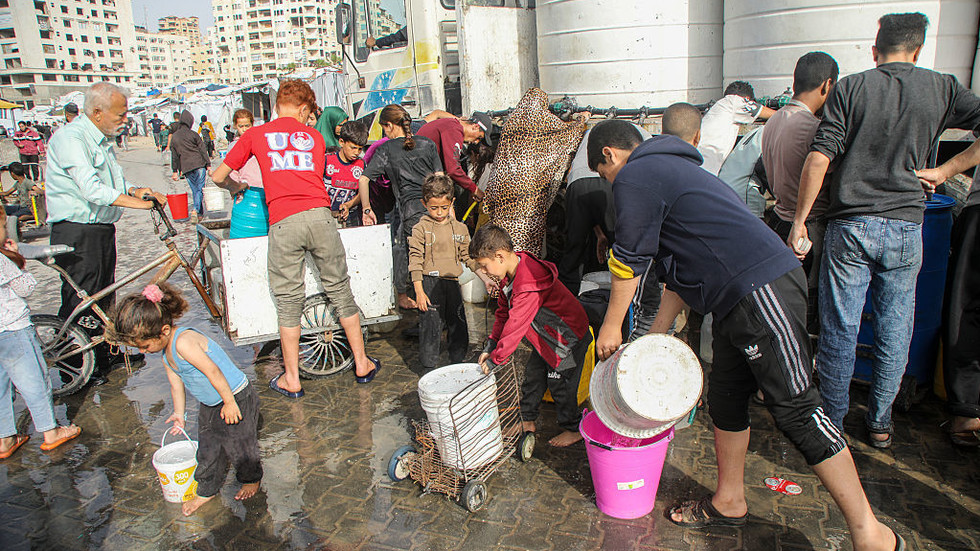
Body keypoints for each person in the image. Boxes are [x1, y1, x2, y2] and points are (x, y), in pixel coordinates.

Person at [588, 119, 902, 551]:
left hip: (760, 288)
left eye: (604, 175)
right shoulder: (669, 171)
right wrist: (652, 342)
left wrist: (611, 327)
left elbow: (627, 261)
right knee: (727, 398)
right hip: (734, 299)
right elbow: (676, 279)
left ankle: (871, 533)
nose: (609, 184)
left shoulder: (637, 173)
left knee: (796, 408)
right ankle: (730, 500)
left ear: (609, 154)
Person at [788, 13, 980, 448]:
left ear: (875, 51)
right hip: (907, 226)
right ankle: (879, 423)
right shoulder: (943, 87)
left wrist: (799, 222)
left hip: (850, 225)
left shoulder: (851, 88)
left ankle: (832, 421)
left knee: (840, 328)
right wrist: (946, 170)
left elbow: (819, 159)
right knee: (895, 329)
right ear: (918, 50)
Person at [212, 79, 381, 397]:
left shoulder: (255, 134)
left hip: (283, 221)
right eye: (309, 112)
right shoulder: (314, 137)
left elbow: (218, 175)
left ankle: (292, 378)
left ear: (278, 105)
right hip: (320, 216)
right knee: (339, 290)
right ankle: (361, 363)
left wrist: (236, 188)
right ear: (303, 109)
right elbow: (311, 177)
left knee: (289, 301)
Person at [45, 82, 167, 386]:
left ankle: (104, 353)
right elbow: (92, 189)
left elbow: (115, 183)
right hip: (76, 231)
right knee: (81, 298)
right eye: (120, 114)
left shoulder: (101, 141)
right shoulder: (71, 139)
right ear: (97, 112)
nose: (125, 119)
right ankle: (75, 366)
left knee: (103, 295)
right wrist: (137, 204)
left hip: (100, 229)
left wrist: (137, 190)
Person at [109, 283, 262, 516]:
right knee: (208, 448)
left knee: (240, 445)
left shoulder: (183, 342)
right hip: (211, 403)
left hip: (235, 396)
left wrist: (230, 402)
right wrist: (179, 414)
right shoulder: (166, 353)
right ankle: (207, 489)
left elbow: (213, 372)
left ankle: (251, 479)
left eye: (144, 346)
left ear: (164, 331)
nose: (143, 352)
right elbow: (175, 384)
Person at [473, 224, 592, 448]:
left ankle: (573, 427)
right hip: (544, 337)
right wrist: (491, 344)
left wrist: (496, 358)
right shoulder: (509, 276)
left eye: (484, 265)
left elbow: (515, 326)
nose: (484, 271)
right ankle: (526, 420)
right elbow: (503, 313)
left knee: (560, 385)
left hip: (566, 340)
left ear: (499, 256)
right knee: (533, 376)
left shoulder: (528, 284)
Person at [762, 51, 839, 335]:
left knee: (782, 304)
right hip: (807, 228)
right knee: (805, 312)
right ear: (827, 85)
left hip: (779, 220)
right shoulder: (815, 129)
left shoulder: (773, 122)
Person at [0, 210, 82, 459]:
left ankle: (5, 438)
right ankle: (50, 431)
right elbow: (25, 288)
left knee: (1, 387)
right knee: (34, 381)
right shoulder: (2, 260)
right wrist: (17, 259)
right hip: (13, 329)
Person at [357, 104, 444, 310]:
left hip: (410, 211)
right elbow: (441, 179)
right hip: (436, 208)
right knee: (435, 256)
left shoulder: (386, 149)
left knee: (409, 255)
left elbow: (364, 179)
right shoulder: (427, 143)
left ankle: (408, 297)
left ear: (389, 125)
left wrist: (367, 209)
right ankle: (436, 303)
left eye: (383, 128)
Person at [408, 173, 479, 369]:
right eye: (434, 208)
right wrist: (419, 291)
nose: (439, 212)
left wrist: (485, 276)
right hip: (429, 285)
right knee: (430, 327)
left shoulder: (460, 228)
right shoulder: (420, 229)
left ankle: (458, 360)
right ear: (424, 203)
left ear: (452, 203)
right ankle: (428, 366)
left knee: (458, 323)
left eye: (444, 207)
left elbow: (468, 257)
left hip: (453, 283)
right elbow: (415, 260)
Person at [416, 111, 493, 209]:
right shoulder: (454, 130)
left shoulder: (451, 125)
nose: (476, 142)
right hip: (418, 175)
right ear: (475, 127)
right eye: (479, 137)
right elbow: (453, 169)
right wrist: (475, 189)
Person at [697, 81, 775, 175]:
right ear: (747, 99)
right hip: (704, 166)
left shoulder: (718, 109)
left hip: (700, 164)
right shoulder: (733, 101)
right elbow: (774, 115)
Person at [170, 111, 213, 224]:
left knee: (195, 190)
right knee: (199, 189)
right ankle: (195, 210)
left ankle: (200, 214)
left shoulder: (175, 137)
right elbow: (203, 150)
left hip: (186, 167)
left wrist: (175, 171)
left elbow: (174, 156)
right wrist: (208, 165)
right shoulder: (193, 134)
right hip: (199, 164)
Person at [326, 121, 369, 227]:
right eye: (353, 148)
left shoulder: (361, 165)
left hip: (351, 217)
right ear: (341, 142)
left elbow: (362, 193)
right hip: (325, 217)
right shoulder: (327, 161)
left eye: (360, 149)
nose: (356, 152)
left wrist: (348, 205)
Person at [216, 109, 263, 197]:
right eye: (241, 126)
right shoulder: (234, 146)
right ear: (235, 126)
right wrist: (236, 187)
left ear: (252, 124)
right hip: (245, 188)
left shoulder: (260, 142)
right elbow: (232, 171)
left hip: (263, 187)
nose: (244, 129)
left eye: (247, 126)